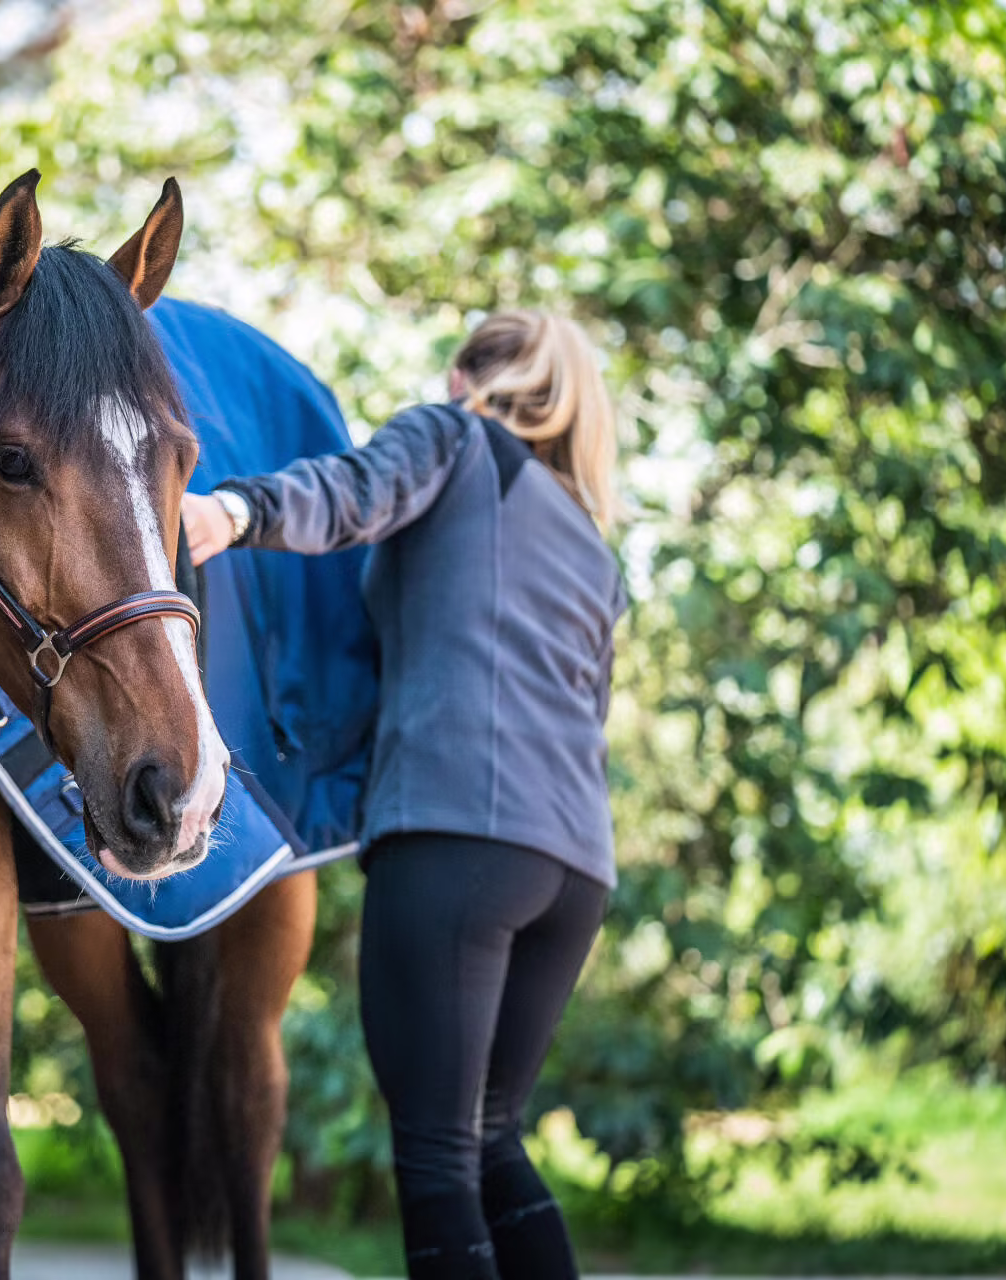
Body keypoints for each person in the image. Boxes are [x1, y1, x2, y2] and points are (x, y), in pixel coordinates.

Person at [183, 310, 625, 1280]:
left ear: (470, 378)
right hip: (575, 866)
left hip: (458, 835)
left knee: (435, 1153)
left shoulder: (455, 437)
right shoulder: (592, 544)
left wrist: (231, 512)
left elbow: (351, 494)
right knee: (491, 1135)